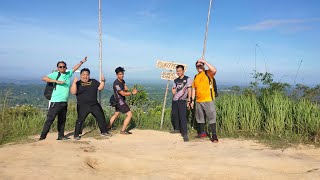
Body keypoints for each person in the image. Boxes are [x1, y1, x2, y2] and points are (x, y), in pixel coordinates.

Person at [39, 57, 87, 141]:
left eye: (64, 66)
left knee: (62, 120)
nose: (62, 68)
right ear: (58, 68)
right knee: (50, 119)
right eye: (60, 67)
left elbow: (75, 68)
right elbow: (44, 78)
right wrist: (57, 81)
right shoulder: (55, 74)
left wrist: (82, 62)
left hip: (64, 102)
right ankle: (42, 137)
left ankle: (61, 136)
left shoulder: (68, 73)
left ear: (66, 67)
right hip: (55, 101)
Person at [70, 68, 111, 140]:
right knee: (80, 120)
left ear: (89, 75)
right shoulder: (77, 83)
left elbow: (100, 88)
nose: (85, 76)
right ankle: (76, 135)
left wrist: (103, 81)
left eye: (87, 75)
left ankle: (104, 131)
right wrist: (74, 82)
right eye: (84, 75)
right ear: (81, 75)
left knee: (101, 117)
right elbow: (73, 92)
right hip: (82, 105)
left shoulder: (93, 81)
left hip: (94, 104)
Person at [190, 59, 219, 143]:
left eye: (200, 65)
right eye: (197, 66)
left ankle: (214, 135)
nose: (198, 67)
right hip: (198, 100)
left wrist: (204, 61)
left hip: (208, 99)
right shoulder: (196, 77)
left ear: (203, 66)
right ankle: (202, 133)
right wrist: (192, 100)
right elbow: (194, 90)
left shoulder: (208, 73)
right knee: (200, 118)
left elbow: (214, 70)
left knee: (211, 117)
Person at [107, 67, 138, 134]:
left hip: (118, 101)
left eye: (122, 74)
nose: (122, 75)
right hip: (120, 102)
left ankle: (107, 127)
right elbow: (122, 93)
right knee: (129, 115)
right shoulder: (116, 83)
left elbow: (125, 89)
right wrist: (132, 93)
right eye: (120, 74)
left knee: (116, 114)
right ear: (117, 75)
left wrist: (125, 86)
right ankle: (123, 131)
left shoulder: (122, 81)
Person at [171, 65, 192, 142]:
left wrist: (189, 100)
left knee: (183, 117)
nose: (178, 72)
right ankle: (177, 129)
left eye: (180, 70)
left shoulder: (187, 79)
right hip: (175, 100)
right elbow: (174, 89)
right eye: (177, 71)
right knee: (175, 115)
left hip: (183, 100)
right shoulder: (175, 80)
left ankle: (185, 134)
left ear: (183, 71)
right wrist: (173, 91)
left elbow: (190, 89)